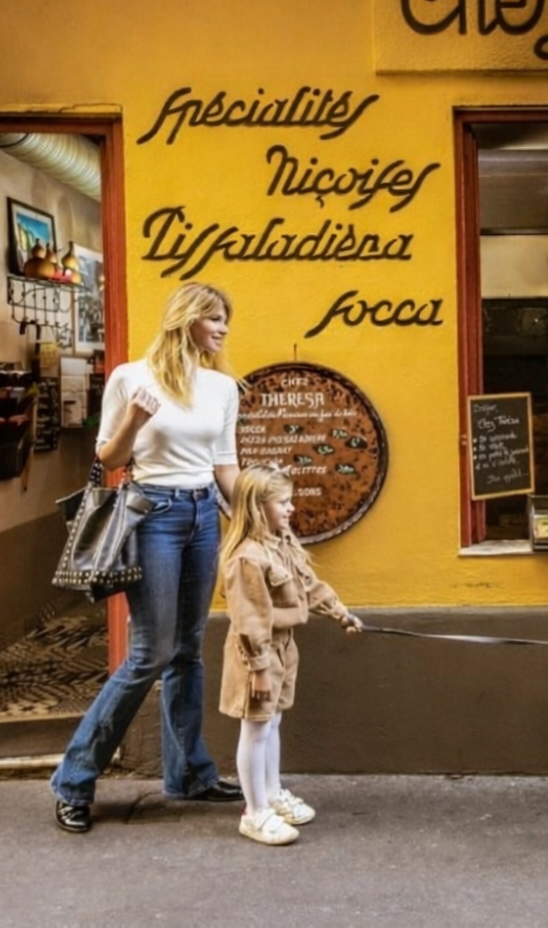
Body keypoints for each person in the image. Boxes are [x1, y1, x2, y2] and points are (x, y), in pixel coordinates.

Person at [50, 282, 245, 833]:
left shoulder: (222, 387)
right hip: (152, 513)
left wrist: (249, 523)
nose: (223, 328)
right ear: (186, 320)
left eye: (225, 318)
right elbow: (109, 458)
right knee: (150, 652)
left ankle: (189, 774)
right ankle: (73, 779)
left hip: (203, 513)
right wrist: (135, 419)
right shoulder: (130, 378)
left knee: (188, 649)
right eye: (214, 317)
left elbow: (224, 465)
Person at [218, 466, 363, 846]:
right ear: (257, 506)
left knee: (272, 724)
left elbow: (307, 585)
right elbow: (250, 620)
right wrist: (260, 669)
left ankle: (272, 791)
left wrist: (340, 613)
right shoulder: (247, 558)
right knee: (255, 728)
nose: (291, 508)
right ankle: (255, 811)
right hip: (258, 654)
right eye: (282, 502)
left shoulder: (281, 541)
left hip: (284, 646)